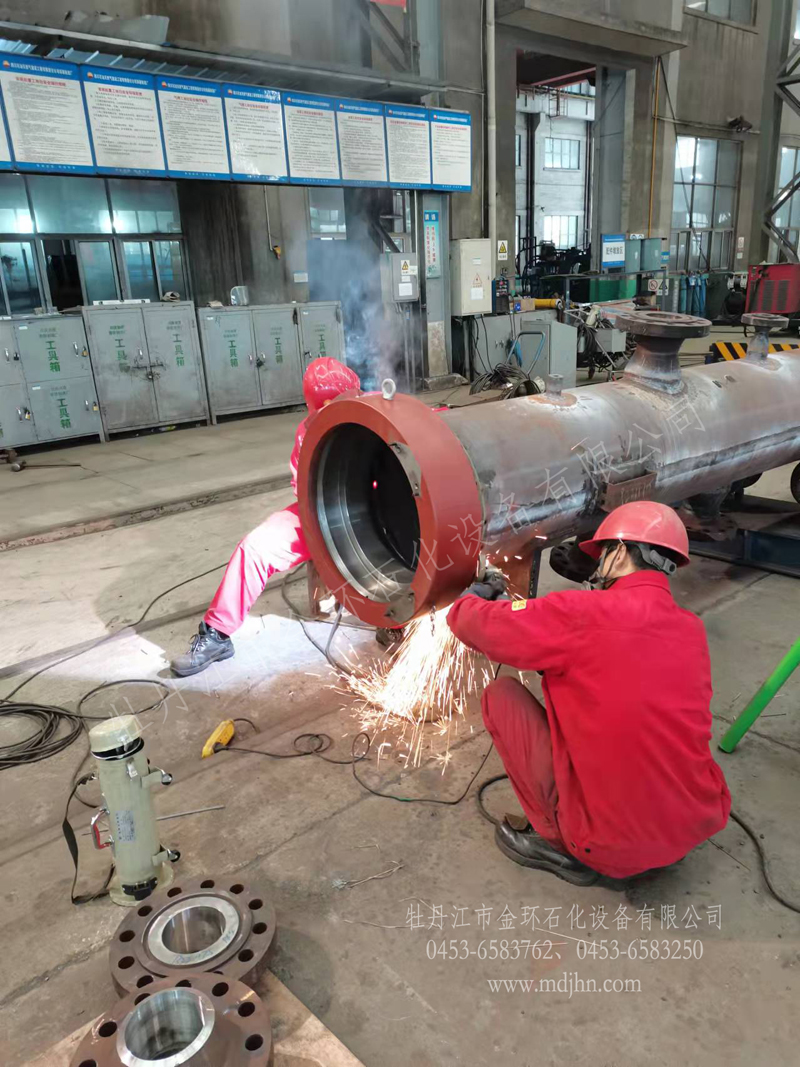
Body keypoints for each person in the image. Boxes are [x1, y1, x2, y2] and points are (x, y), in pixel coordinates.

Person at [447, 501, 731, 886]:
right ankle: (651, 840)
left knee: (502, 696)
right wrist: (513, 611)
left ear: (620, 552)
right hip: (691, 825)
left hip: (610, 845)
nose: (598, 565)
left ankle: (563, 845)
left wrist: (472, 597)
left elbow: (471, 624)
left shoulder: (582, 612)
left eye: (603, 554)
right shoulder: (691, 630)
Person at [171, 357, 360, 677]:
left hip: (375, 516)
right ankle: (217, 634)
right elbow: (303, 489)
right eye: (322, 409)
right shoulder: (308, 432)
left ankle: (399, 623)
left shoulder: (380, 415)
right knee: (255, 547)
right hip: (320, 515)